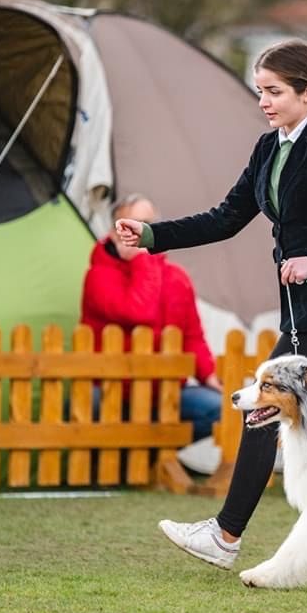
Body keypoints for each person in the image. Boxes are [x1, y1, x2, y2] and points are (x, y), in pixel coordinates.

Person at [115, 39, 307, 570]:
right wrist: (152, 234)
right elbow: (225, 217)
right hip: (302, 308)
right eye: (259, 91)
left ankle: (224, 536)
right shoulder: (268, 147)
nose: (263, 101)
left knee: (264, 403)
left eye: (273, 91)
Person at [80, 195, 223, 473]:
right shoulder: (99, 275)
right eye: (128, 224)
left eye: (146, 224)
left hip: (165, 395)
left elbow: (192, 335)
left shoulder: (177, 278)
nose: (137, 231)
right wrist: (142, 260)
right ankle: (119, 464)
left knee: (217, 406)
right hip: (114, 396)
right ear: (112, 232)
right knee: (85, 402)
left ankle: (146, 460)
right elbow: (139, 312)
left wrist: (209, 376)